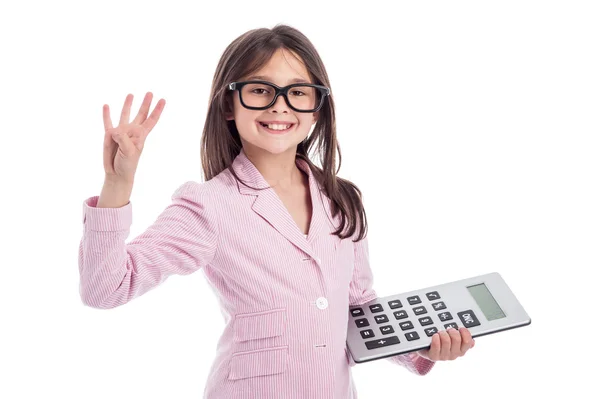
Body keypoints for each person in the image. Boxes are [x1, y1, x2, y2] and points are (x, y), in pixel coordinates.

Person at [79, 24, 475, 399]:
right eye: (259, 90)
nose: (279, 107)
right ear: (229, 105)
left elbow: (357, 308)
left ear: (317, 107)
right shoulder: (209, 205)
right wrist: (118, 185)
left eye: (298, 92)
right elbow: (105, 289)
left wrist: (422, 349)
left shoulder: (341, 200)